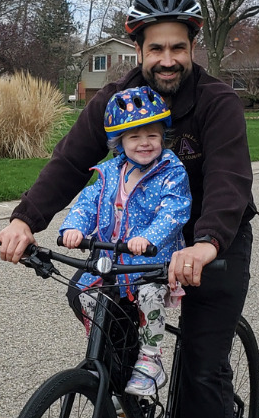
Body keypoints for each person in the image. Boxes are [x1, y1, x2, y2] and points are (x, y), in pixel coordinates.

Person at [0, 0, 257, 418]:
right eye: (156, 48)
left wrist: (205, 244)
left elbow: (230, 182)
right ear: (138, 49)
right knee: (94, 301)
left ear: (193, 47)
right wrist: (25, 220)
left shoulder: (217, 104)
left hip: (212, 244)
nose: (167, 60)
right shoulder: (116, 101)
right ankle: (132, 375)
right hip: (135, 250)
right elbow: (70, 164)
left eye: (178, 48)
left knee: (203, 363)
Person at [60, 85, 191, 396]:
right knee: (81, 291)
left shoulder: (171, 171)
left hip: (151, 260)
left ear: (163, 137)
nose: (144, 143)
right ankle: (109, 342)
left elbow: (174, 211)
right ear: (119, 143)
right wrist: (73, 228)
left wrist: (148, 238)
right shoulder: (110, 171)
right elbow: (88, 202)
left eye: (152, 135)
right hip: (113, 259)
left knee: (149, 295)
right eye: (134, 137)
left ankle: (150, 360)